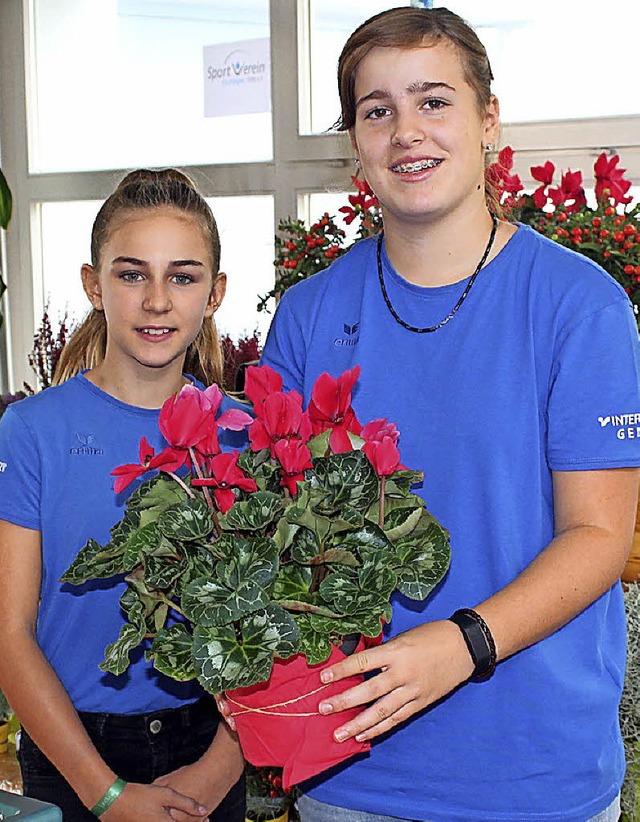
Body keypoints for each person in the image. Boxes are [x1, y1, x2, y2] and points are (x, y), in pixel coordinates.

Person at [259, 7, 640, 822]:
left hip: (533, 778)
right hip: (348, 771)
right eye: (378, 110)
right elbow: (272, 527)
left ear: (488, 120)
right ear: (355, 142)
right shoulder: (308, 315)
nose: (407, 132)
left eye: (435, 101)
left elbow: (600, 537)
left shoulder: (581, 308)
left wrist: (465, 643)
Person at [0, 169, 247, 821]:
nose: (157, 301)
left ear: (215, 293)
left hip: (215, 746)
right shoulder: (32, 432)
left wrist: (220, 769)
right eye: (132, 274)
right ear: (94, 285)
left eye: (184, 276)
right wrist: (103, 792)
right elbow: (8, 632)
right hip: (71, 758)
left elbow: (278, 624)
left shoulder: (247, 437)